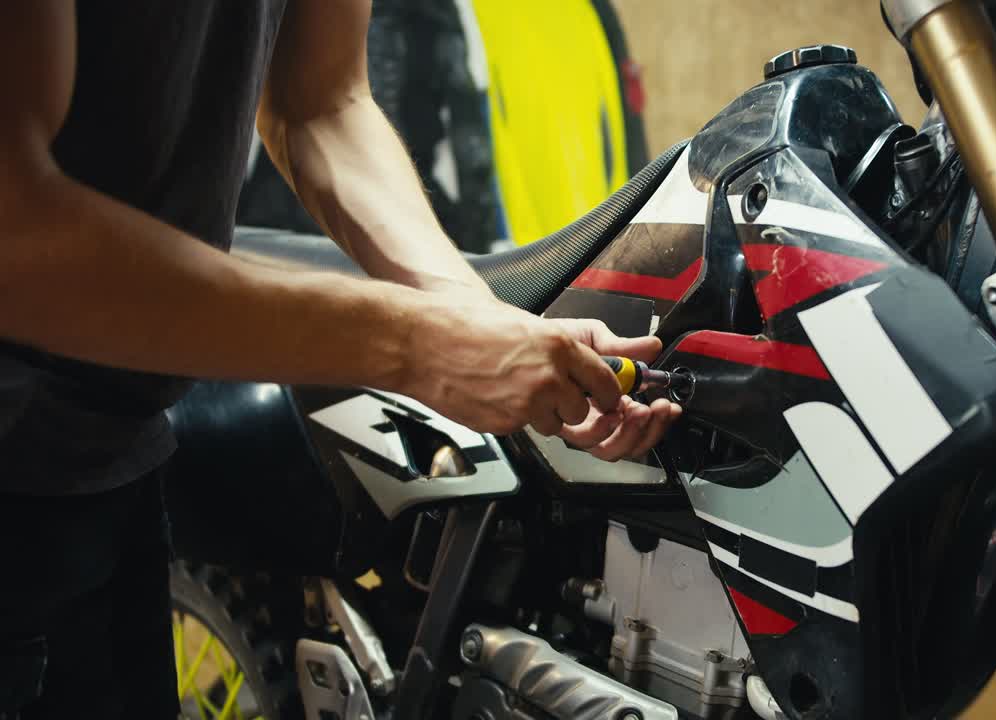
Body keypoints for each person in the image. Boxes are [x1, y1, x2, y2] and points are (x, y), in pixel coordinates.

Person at [0, 2, 680, 717]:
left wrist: (477, 322)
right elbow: (16, 235)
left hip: (109, 457)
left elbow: (319, 105)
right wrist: (421, 344)